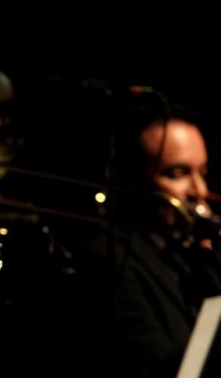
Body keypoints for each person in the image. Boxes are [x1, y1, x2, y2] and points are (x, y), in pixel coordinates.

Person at [71, 104, 220, 377]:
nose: (200, 191)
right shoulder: (108, 258)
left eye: (203, 173)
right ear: (133, 181)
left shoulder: (191, 256)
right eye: (177, 174)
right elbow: (156, 368)